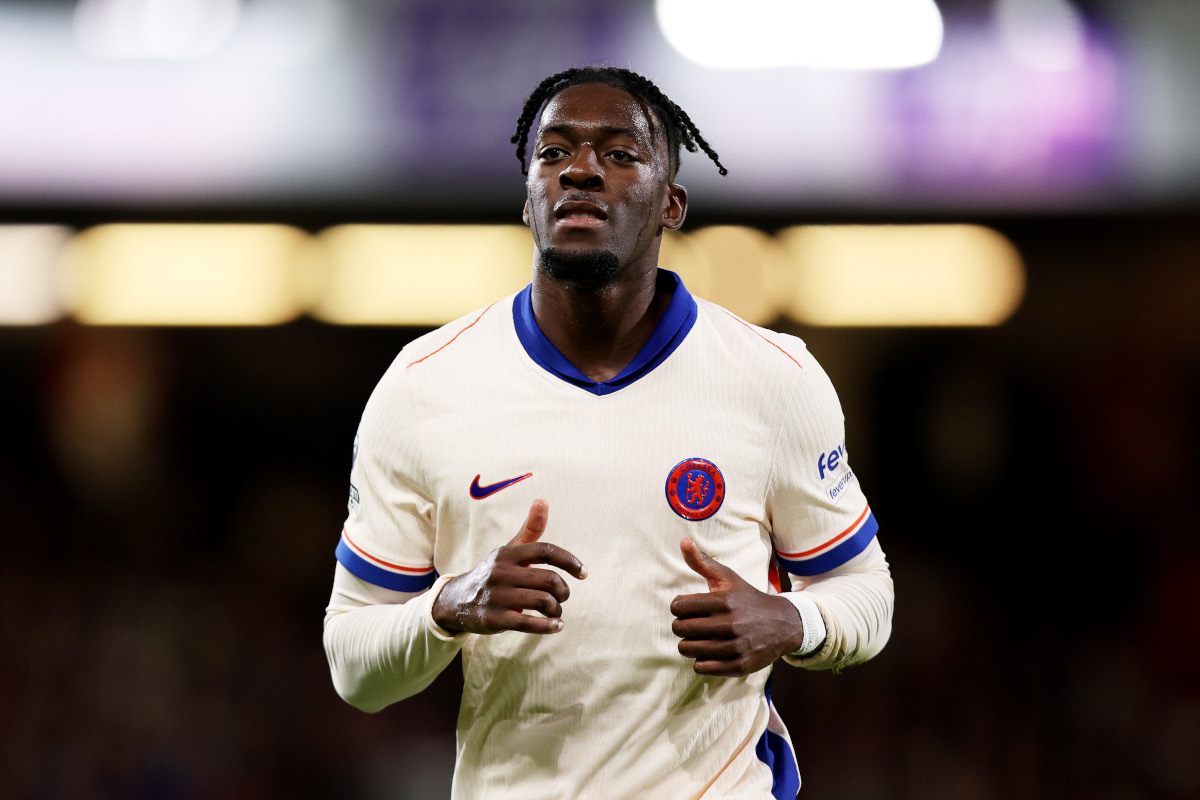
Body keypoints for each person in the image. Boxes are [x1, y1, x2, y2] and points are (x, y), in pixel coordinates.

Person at [323, 66, 894, 799]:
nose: (581, 170)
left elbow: (863, 588)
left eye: (620, 154)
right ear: (529, 200)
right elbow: (354, 670)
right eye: (553, 153)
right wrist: (445, 607)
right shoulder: (423, 386)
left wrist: (793, 620)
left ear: (671, 204)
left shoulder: (773, 378)